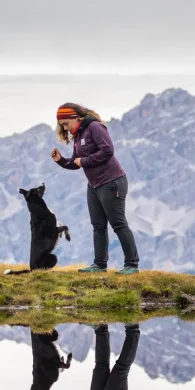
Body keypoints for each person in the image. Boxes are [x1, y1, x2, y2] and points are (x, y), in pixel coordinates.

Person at [50, 103, 140, 275]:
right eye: (62, 125)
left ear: (75, 117)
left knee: (118, 224)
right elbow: (76, 162)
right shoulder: (78, 136)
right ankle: (99, 265)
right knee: (98, 225)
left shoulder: (94, 127)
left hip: (112, 182)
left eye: (65, 124)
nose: (65, 128)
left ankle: (132, 265)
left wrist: (85, 161)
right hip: (94, 185)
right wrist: (61, 160)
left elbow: (108, 150)